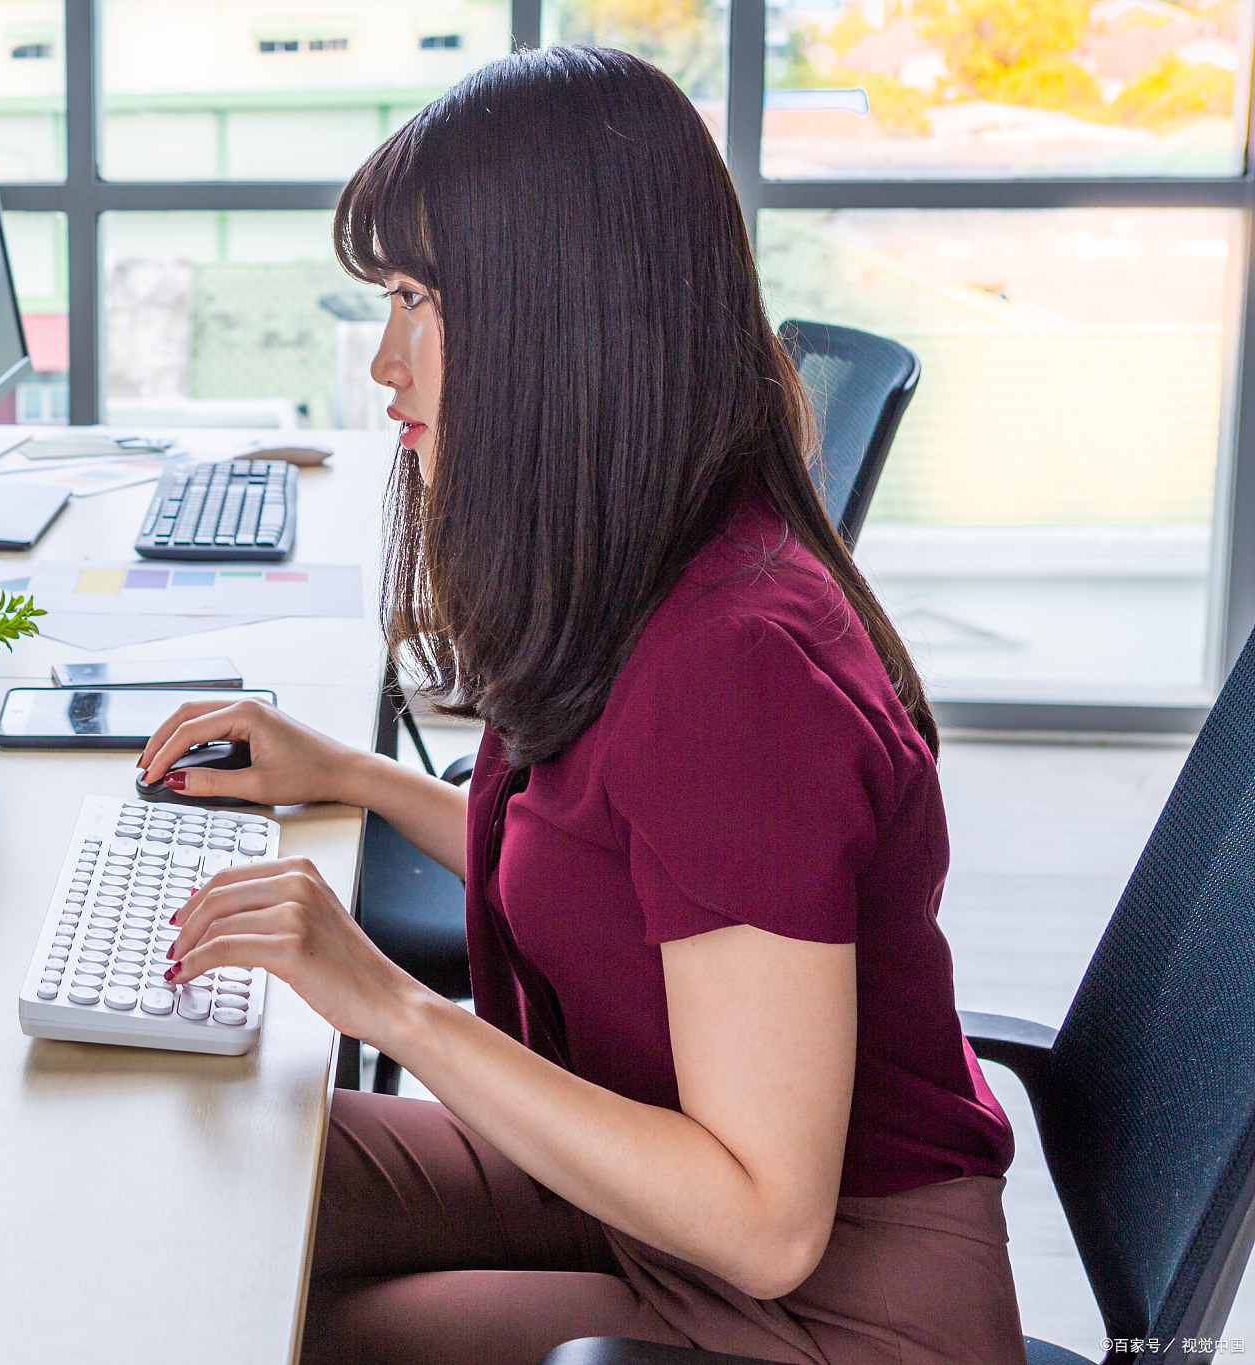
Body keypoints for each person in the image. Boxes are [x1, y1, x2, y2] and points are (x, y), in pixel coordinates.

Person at [136, 45, 1023, 1365]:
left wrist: (389, 1002)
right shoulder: (643, 552)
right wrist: (355, 774)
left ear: (563, 320)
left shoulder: (737, 673)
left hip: (836, 1307)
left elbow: (767, 1219)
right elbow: (601, 868)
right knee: (203, 1196)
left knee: (298, 1328)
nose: (386, 364)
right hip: (647, 1186)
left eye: (419, 301)